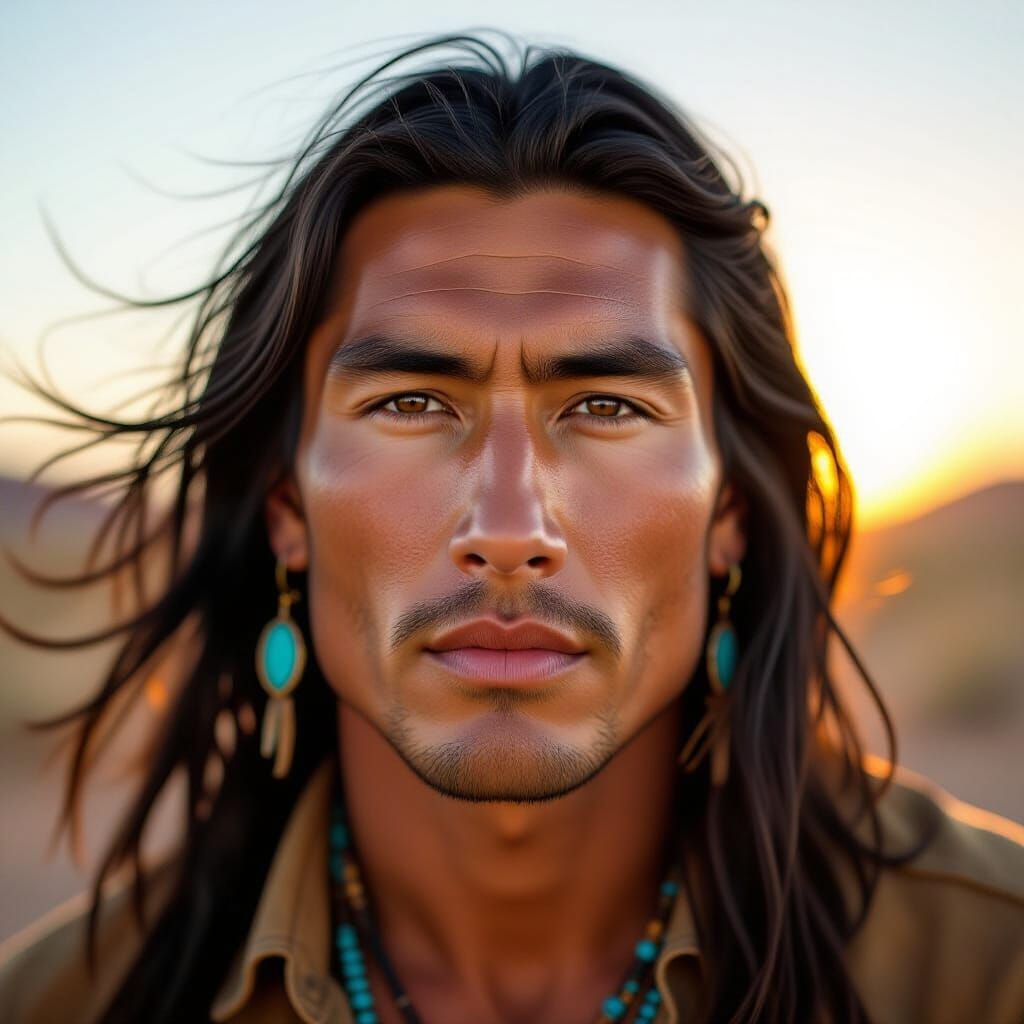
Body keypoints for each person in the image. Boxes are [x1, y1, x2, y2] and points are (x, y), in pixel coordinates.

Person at [0, 30, 1021, 1024]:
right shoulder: (64, 1003)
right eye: (410, 402)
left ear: (730, 509)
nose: (507, 526)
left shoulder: (990, 971)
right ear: (286, 504)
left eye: (607, 406)